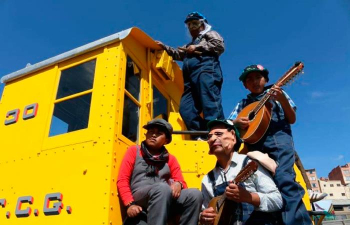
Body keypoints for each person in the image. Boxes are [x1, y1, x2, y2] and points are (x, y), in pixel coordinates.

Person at [228, 64, 312, 225]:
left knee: (284, 179)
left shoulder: (277, 93)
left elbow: (292, 119)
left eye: (258, 77)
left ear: (266, 79)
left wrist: (281, 100)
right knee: (259, 185)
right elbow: (230, 122)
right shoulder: (243, 103)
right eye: (249, 79)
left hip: (278, 140)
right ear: (245, 85)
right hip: (253, 146)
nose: (254, 82)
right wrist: (236, 122)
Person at [117, 118, 202, 225]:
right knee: (162, 187)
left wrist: (178, 184)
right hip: (140, 195)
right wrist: (130, 204)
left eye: (159, 133)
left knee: (195, 194)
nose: (153, 135)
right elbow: (122, 180)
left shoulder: (171, 159)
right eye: (151, 132)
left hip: (164, 195)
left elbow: (181, 181)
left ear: (166, 140)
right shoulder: (134, 151)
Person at [156, 11, 225, 139]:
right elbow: (177, 53)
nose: (192, 27)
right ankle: (200, 134)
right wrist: (164, 47)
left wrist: (198, 47)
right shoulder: (189, 46)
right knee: (185, 108)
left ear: (203, 24)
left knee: (209, 101)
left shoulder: (209, 34)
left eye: (195, 23)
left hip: (206, 71)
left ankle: (218, 132)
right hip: (189, 78)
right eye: (189, 24)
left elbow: (219, 45)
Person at [200, 119, 283, 225]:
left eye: (218, 134)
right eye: (209, 136)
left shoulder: (249, 163)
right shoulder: (208, 179)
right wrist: (204, 218)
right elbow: (205, 211)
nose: (212, 139)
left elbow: (277, 200)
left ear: (233, 136)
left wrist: (249, 197)